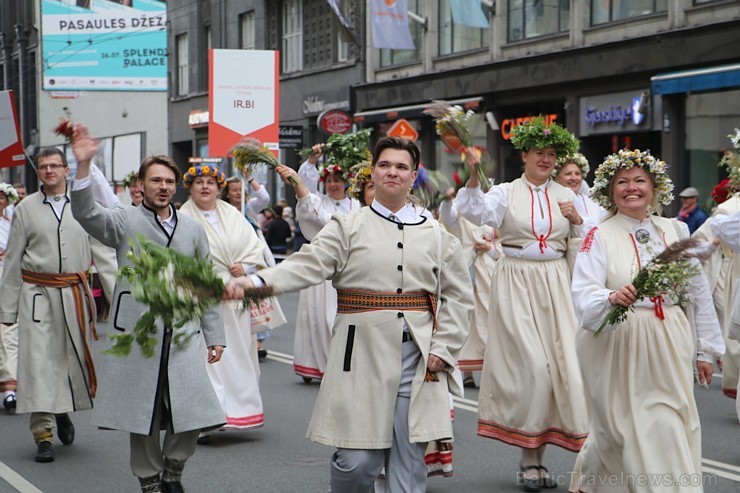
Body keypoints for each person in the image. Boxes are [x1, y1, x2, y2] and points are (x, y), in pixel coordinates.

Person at [226, 136, 473, 493]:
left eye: (401, 167)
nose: (392, 172)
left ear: (413, 176)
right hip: (359, 355)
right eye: (385, 165)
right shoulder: (347, 226)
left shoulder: (436, 234)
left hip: (418, 361)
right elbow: (306, 265)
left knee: (408, 466)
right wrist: (257, 281)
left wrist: (443, 349)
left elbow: (459, 298)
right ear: (373, 172)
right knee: (358, 463)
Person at [69, 126, 225, 493]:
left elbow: (206, 286)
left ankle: (174, 469)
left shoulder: (192, 229)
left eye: (169, 181)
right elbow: (87, 213)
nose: (163, 187)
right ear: (141, 184)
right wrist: (83, 166)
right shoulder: (124, 220)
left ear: (176, 186)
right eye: (155, 180)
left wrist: (215, 336)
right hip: (138, 335)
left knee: (191, 413)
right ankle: (150, 479)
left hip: (184, 335)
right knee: (143, 416)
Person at [570, 149, 725, 492]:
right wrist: (611, 297)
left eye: (640, 181)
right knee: (620, 430)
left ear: (655, 189)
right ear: (610, 192)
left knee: (667, 422)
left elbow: (698, 293)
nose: (631, 188)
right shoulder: (598, 234)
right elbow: (582, 292)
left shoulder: (675, 229)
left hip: (669, 337)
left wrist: (705, 350)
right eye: (622, 182)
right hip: (618, 341)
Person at [456, 117, 590, 490]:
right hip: (516, 280)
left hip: (556, 283)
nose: (545, 160)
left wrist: (578, 222)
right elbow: (473, 211)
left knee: (560, 370)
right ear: (524, 156)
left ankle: (538, 457)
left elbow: (587, 246)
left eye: (551, 155)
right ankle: (529, 457)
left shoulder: (569, 196)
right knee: (533, 368)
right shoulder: (504, 192)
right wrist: (472, 174)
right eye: (539, 154)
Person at [0, 148, 96, 463]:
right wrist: (7, 310)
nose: (49, 171)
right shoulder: (25, 209)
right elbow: (13, 258)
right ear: (38, 172)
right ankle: (43, 434)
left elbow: (103, 251)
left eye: (55, 165)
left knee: (68, 360)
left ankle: (63, 412)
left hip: (73, 294)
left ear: (67, 170)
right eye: (43, 166)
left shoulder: (82, 205)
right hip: (37, 296)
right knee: (39, 365)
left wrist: (116, 295)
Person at [178, 164, 268, 440]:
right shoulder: (182, 217)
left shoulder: (234, 214)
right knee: (207, 358)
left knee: (238, 356)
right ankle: (210, 415)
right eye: (199, 182)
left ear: (219, 188)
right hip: (201, 299)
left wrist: (245, 265)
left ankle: (241, 411)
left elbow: (254, 247)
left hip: (233, 296)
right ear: (190, 188)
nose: (205, 187)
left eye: (210, 182)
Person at [287, 142, 361, 382]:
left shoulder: (357, 206)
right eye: (328, 181)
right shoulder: (318, 203)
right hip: (324, 268)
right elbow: (307, 204)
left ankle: (342, 365)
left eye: (337, 180)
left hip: (350, 268)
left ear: (346, 183)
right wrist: (310, 163)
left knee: (344, 319)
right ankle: (317, 364)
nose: (332, 185)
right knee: (320, 318)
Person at [220, 175, 286, 360]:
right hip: (232, 257)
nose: (238, 193)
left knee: (257, 297)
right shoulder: (222, 211)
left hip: (252, 257)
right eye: (234, 190)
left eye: (241, 190)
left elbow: (264, 198)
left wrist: (249, 178)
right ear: (227, 193)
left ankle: (258, 340)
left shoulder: (249, 209)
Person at [438, 188, 497, 385]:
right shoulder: (459, 210)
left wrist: (490, 249)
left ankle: (491, 368)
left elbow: (505, 243)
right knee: (467, 319)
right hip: (466, 270)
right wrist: (446, 200)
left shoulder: (492, 211)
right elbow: (448, 216)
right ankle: (466, 372)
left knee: (489, 319)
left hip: (488, 272)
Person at [0, 183, 19, 413]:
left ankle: (10, 390)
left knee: (9, 334)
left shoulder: (10, 223)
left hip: (8, 281)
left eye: (2, 197)